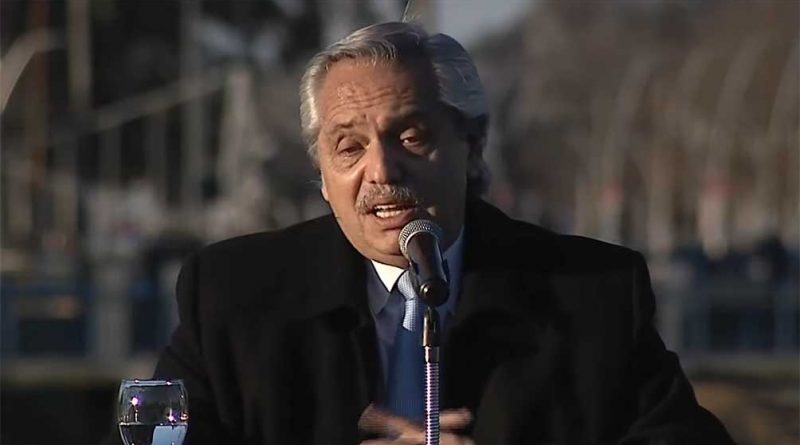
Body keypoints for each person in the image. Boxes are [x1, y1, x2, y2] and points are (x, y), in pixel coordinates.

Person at [107, 22, 736, 445]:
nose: (382, 171)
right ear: (322, 176)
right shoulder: (232, 293)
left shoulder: (592, 293)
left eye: (411, 137)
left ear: (472, 147)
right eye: (348, 147)